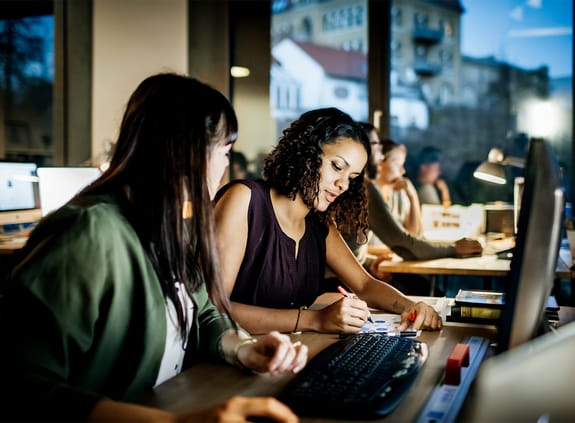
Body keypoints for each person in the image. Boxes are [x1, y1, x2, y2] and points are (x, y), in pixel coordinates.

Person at [0, 73, 307, 422]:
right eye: (225, 151)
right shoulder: (90, 232)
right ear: (187, 150)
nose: (226, 167)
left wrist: (245, 349)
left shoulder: (174, 225)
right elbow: (21, 384)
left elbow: (204, 311)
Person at [214, 107, 442, 335]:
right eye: (337, 167)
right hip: (227, 361)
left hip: (286, 355)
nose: (343, 185)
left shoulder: (318, 223)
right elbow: (215, 309)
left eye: (351, 178)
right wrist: (315, 320)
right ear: (306, 154)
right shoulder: (244, 200)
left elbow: (364, 284)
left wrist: (411, 307)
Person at [372, 138, 423, 237]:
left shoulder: (398, 192)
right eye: (397, 164)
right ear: (379, 162)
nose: (402, 171)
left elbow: (415, 233)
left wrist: (412, 196)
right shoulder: (368, 195)